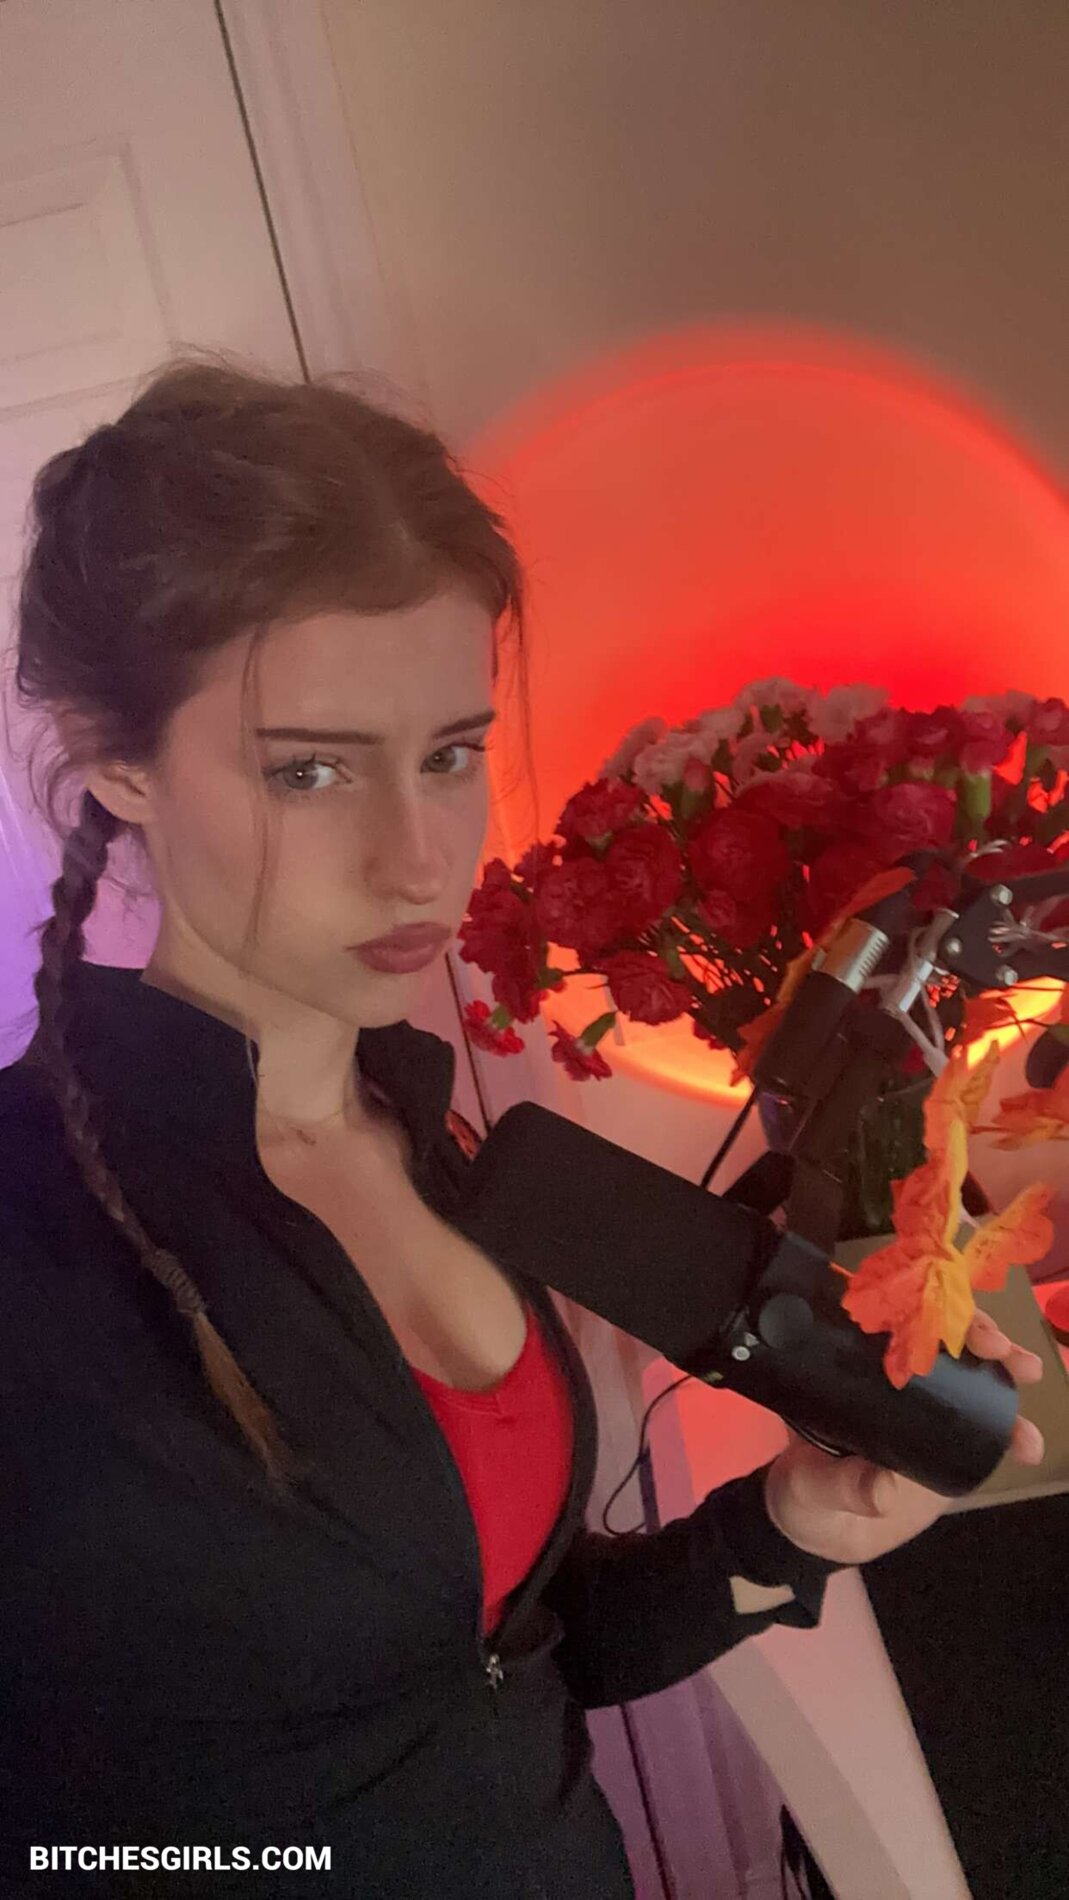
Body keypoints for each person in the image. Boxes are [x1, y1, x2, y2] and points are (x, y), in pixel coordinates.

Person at [0, 357, 1043, 1899]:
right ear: (119, 770)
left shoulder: (435, 1150)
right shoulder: (28, 1240)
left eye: (447, 754)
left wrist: (783, 1531)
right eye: (308, 770)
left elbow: (497, 1661)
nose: (420, 858)